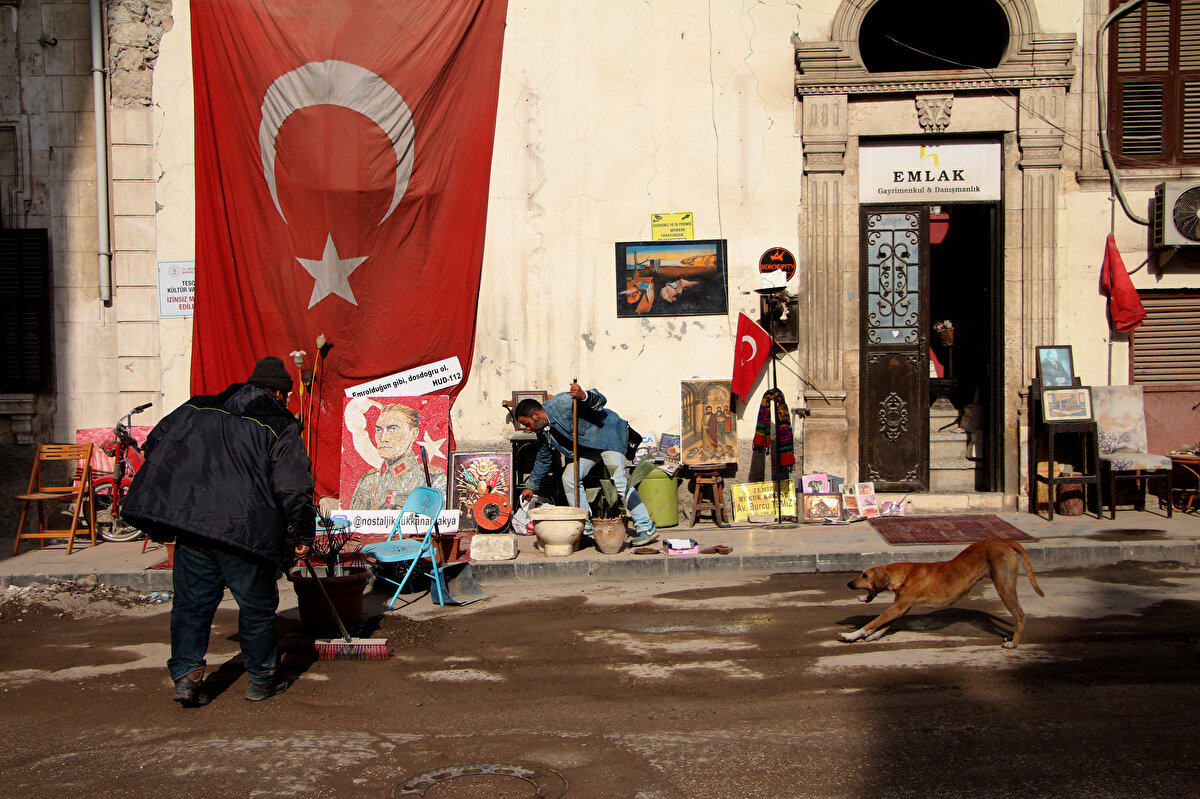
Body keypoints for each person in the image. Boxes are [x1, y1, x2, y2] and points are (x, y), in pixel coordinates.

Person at [122, 356, 315, 706]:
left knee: (191, 605)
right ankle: (262, 681)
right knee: (256, 607)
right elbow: (293, 488)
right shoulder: (280, 424)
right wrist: (302, 535)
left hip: (193, 526)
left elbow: (156, 442)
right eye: (285, 396)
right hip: (248, 534)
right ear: (278, 393)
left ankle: (186, 677)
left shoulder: (198, 407)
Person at [514, 382, 658, 546]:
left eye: (527, 424)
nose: (527, 429)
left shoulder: (562, 402)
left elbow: (600, 400)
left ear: (536, 415)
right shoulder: (543, 431)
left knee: (619, 480)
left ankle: (646, 526)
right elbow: (543, 458)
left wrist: (584, 395)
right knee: (569, 478)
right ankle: (586, 525)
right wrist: (531, 486)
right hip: (590, 446)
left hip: (609, 436)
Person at [349, 403, 445, 509]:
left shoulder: (431, 479)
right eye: (379, 430)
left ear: (413, 434)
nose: (383, 438)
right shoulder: (368, 480)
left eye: (393, 429)